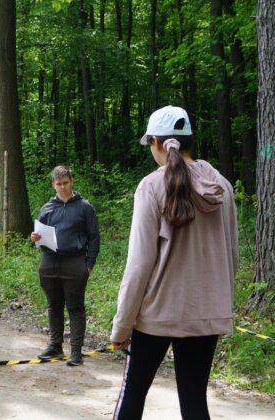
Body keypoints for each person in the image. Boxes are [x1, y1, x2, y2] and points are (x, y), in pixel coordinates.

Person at [110, 106, 238, 420]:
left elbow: (139, 265)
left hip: (155, 315)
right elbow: (231, 257)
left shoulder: (151, 186)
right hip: (204, 315)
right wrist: (218, 310)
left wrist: (122, 325)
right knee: (194, 401)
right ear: (191, 140)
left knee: (134, 393)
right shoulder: (222, 186)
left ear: (156, 142)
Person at [30, 166, 100, 366]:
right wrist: (34, 237)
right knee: (54, 306)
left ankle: (76, 351)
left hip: (75, 261)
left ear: (72, 182)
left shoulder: (85, 207)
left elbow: (94, 237)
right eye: (59, 184)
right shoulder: (47, 208)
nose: (62, 187)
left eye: (65, 183)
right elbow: (38, 236)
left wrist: (89, 264)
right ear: (53, 185)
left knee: (75, 307)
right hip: (49, 261)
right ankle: (55, 346)